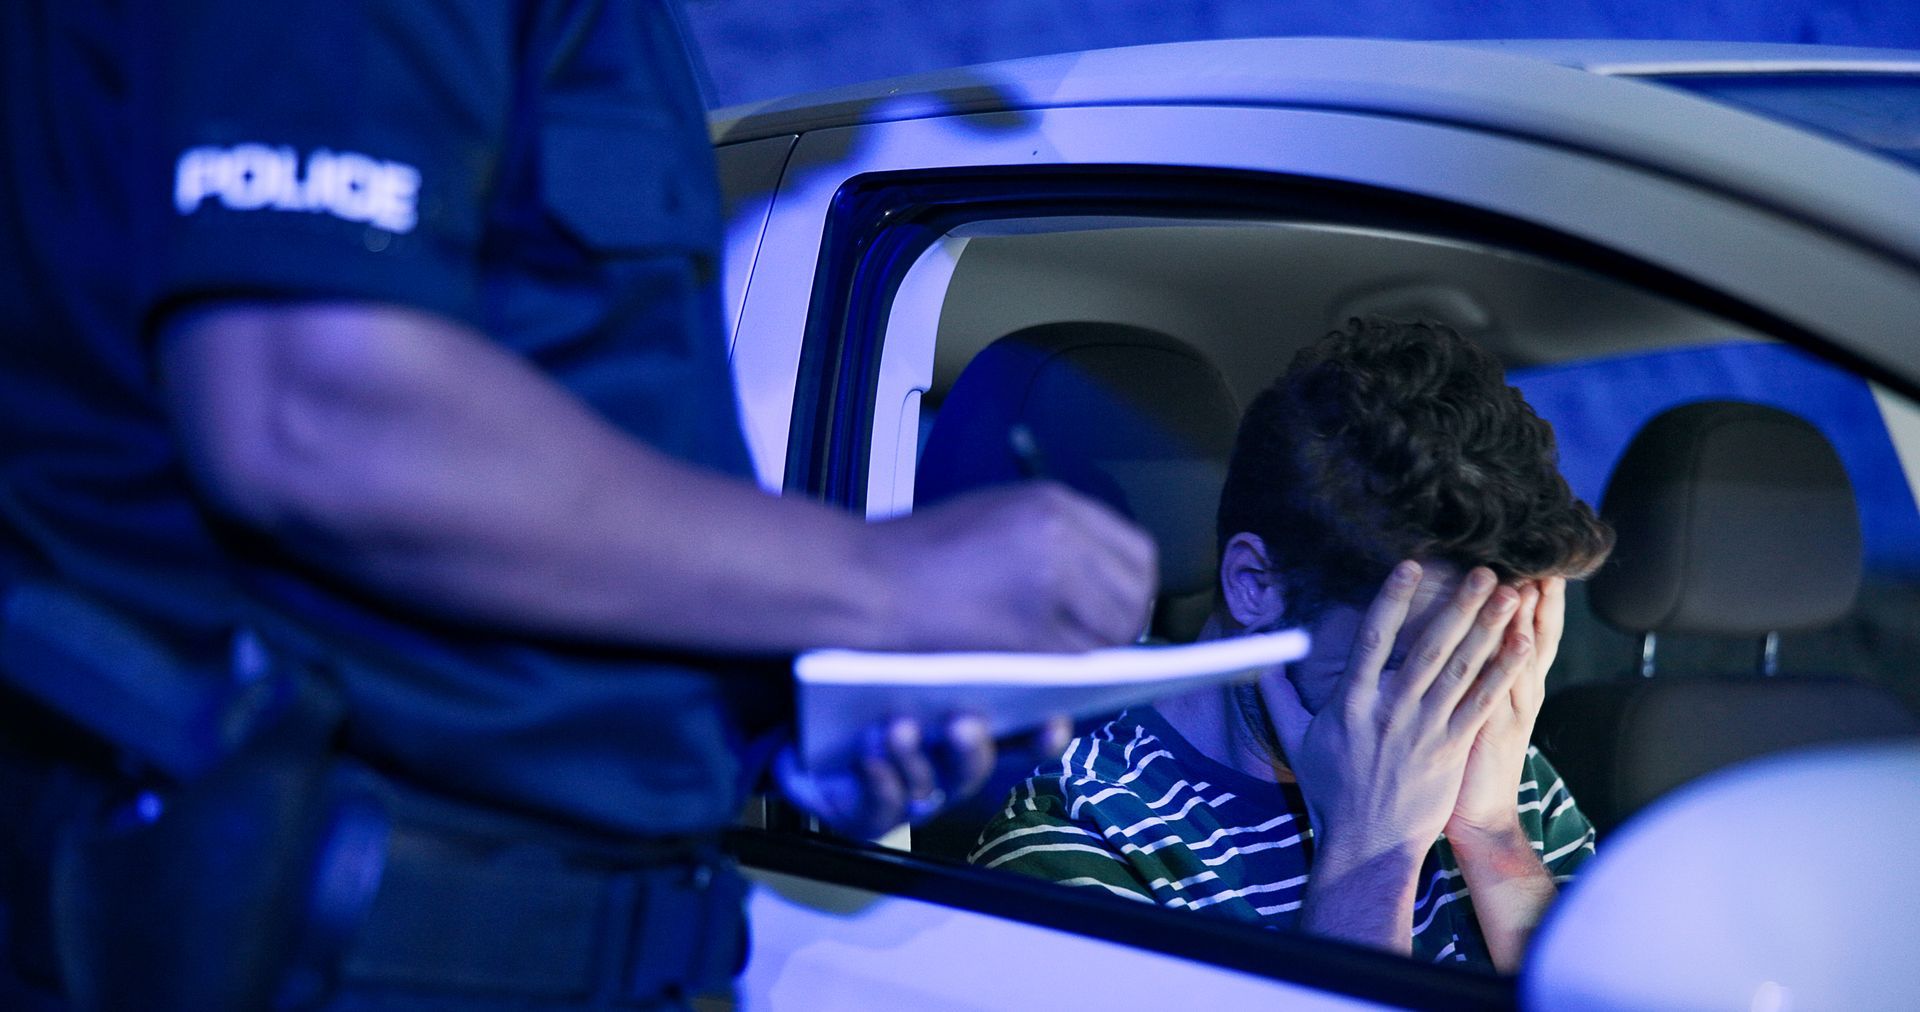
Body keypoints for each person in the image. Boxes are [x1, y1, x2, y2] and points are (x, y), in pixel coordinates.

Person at [0, 1, 1154, 1007]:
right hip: (323, 939)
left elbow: (547, 485)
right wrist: (888, 581)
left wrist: (788, 734)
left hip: (532, 937)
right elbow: (311, 407)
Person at [972, 318, 1613, 972]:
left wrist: (1496, 838)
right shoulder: (1077, 845)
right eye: (1419, 663)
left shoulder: (1502, 773)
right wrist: (1368, 854)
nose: (1465, 707)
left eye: (1488, 657)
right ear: (1258, 585)